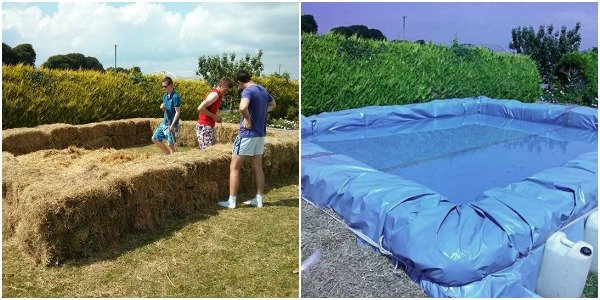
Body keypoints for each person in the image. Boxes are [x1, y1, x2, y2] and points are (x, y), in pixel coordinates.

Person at [218, 70, 276, 209]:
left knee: (234, 167)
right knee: (258, 167)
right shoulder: (262, 89)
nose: (238, 87)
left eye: (237, 85)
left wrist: (247, 118)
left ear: (239, 82)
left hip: (247, 135)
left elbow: (242, 107)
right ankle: (259, 199)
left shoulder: (248, 91)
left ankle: (231, 202)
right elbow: (273, 104)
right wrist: (260, 112)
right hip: (260, 135)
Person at [196, 77, 234, 149]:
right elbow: (200, 108)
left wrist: (216, 116)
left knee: (210, 151)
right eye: (225, 90)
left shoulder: (218, 95)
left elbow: (209, 109)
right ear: (220, 85)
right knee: (207, 152)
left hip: (208, 126)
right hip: (205, 126)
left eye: (228, 91)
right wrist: (214, 116)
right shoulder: (215, 95)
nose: (226, 92)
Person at [151, 77, 181, 155]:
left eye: (165, 86)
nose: (164, 88)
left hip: (172, 124)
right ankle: (168, 154)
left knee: (171, 144)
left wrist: (172, 125)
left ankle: (173, 159)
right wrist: (162, 108)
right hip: (164, 123)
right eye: (163, 86)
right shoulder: (165, 96)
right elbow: (166, 110)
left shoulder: (175, 97)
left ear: (170, 85)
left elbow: (178, 112)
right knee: (155, 138)